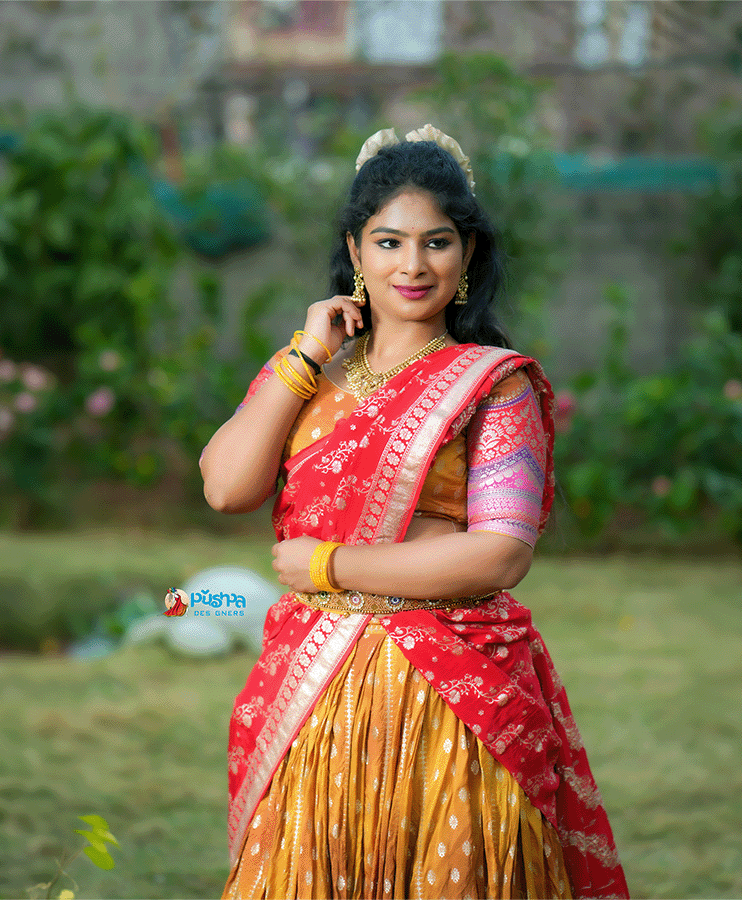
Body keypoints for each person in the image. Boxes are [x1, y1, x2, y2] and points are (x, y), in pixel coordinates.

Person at [200, 125, 629, 900]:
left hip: (448, 697)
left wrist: (331, 564)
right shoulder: (308, 371)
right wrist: (304, 356)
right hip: (316, 691)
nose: (412, 265)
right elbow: (227, 486)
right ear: (355, 251)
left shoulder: (492, 385)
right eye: (389, 242)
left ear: (467, 253)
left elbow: (501, 552)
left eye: (436, 242)